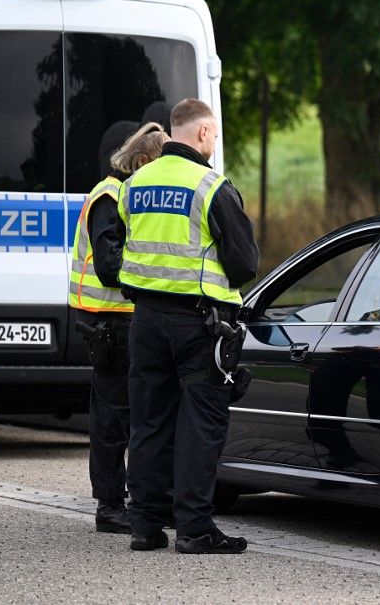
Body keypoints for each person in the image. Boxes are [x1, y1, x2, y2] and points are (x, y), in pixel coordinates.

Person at [118, 98, 259, 554]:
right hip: (200, 325)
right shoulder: (210, 186)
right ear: (201, 134)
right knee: (201, 423)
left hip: (145, 321)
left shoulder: (134, 184)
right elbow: (244, 263)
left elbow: (128, 243)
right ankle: (195, 529)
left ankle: (144, 525)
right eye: (214, 136)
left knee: (149, 421)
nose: (214, 144)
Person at [69, 122, 169, 533]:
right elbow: (111, 268)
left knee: (129, 412)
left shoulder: (124, 194)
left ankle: (128, 500)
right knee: (112, 417)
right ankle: (110, 505)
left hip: (120, 319)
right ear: (142, 161)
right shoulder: (109, 197)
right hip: (107, 319)